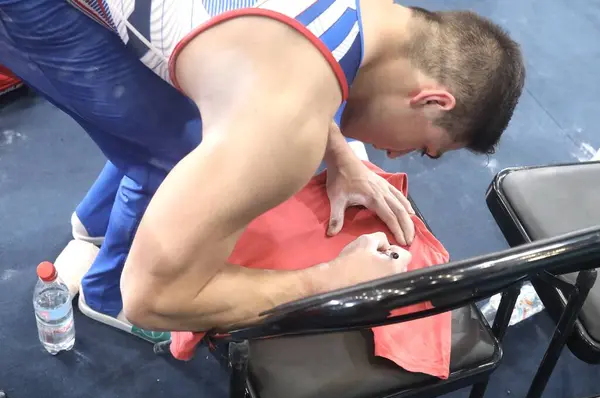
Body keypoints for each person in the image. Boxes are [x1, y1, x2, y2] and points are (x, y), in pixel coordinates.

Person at [0, 0, 525, 333]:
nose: (394, 157)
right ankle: (102, 294)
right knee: (182, 153)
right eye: (428, 148)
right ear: (434, 101)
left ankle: (91, 227)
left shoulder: (378, 18)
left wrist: (342, 154)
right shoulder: (285, 126)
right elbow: (156, 298)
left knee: (203, 110)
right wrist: (328, 280)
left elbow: (287, 55)